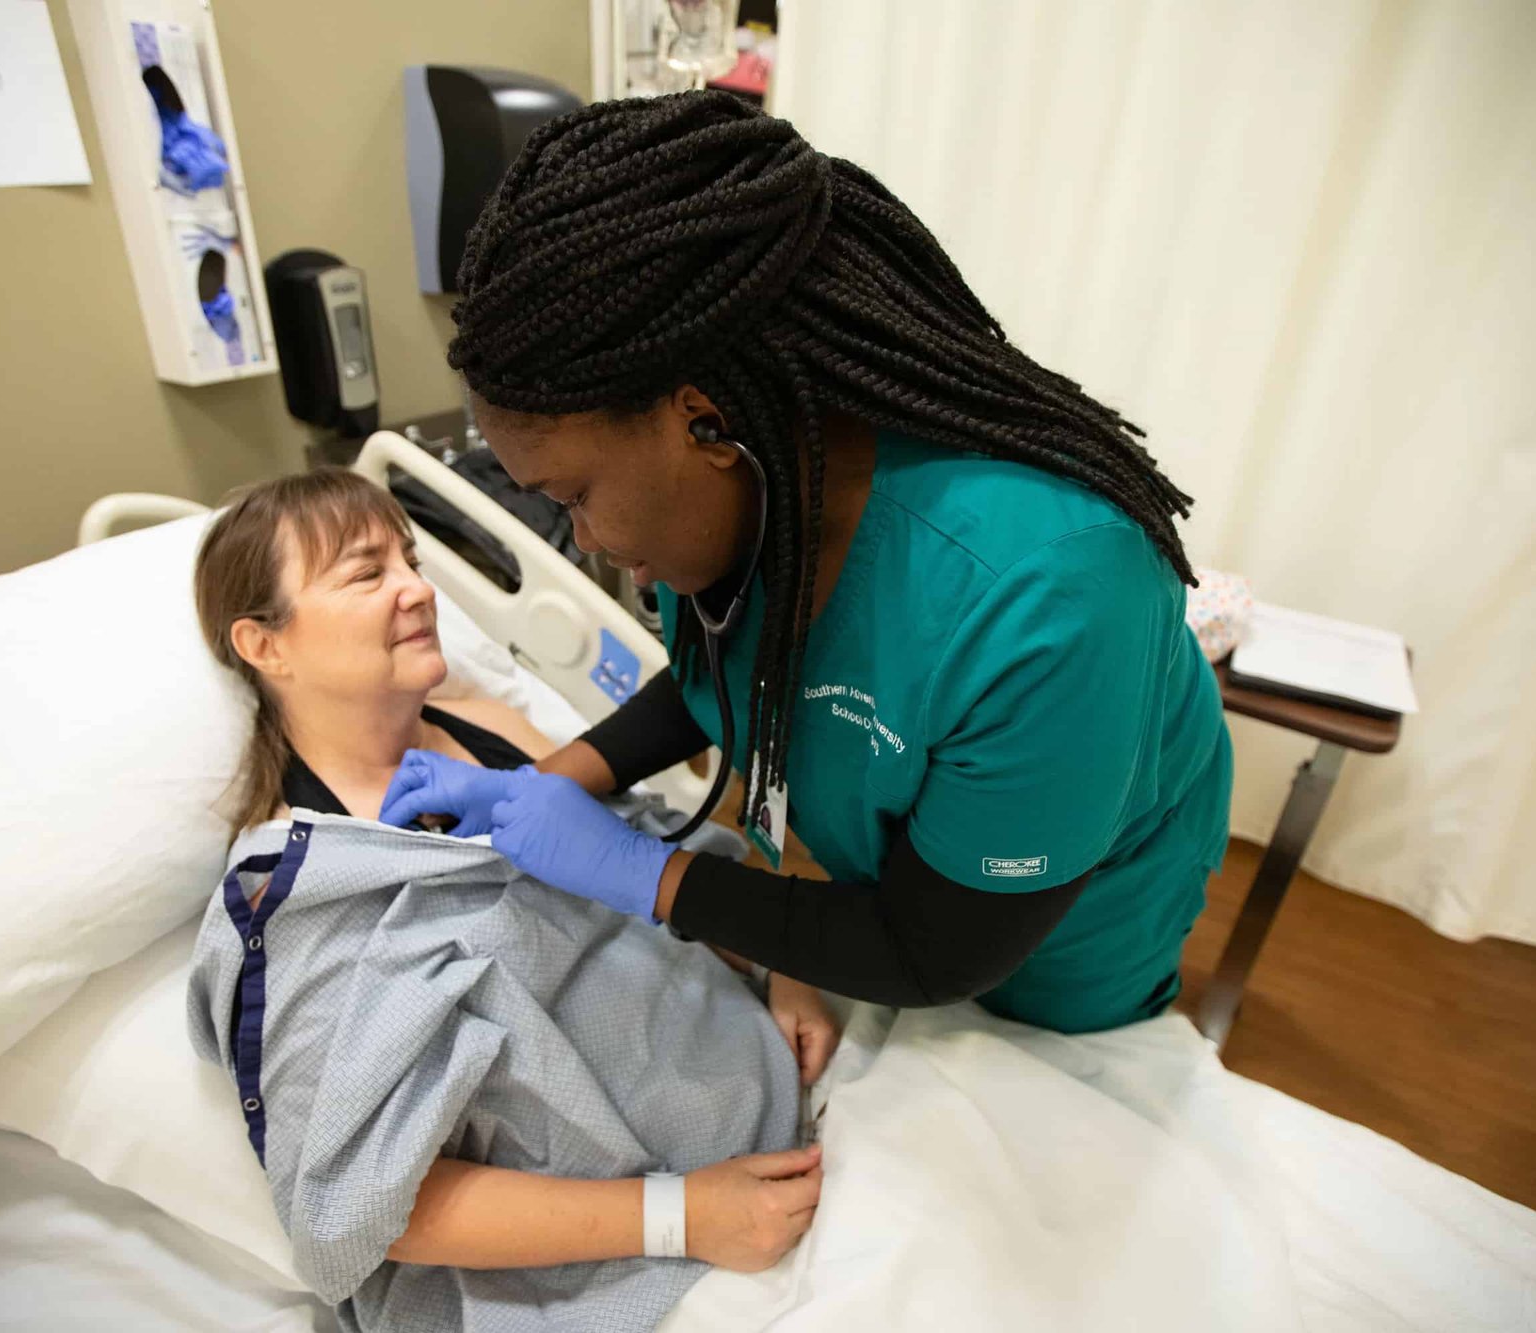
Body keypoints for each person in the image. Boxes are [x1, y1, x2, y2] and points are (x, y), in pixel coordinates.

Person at [378, 90, 1234, 1036]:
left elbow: (934, 949)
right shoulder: (739, 496)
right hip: (865, 909)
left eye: (575, 496)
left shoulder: (1048, 599)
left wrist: (646, 873)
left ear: (702, 419)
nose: (582, 541)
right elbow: (722, 670)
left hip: (1055, 957)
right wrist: (561, 778)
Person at [191, 469, 828, 1279]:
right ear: (264, 643)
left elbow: (646, 862)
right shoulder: (296, 883)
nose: (418, 590)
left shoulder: (491, 730)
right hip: (656, 1232)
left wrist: (786, 959)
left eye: (411, 560)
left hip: (785, 1080)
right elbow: (369, 1201)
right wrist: (681, 1216)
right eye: (366, 572)